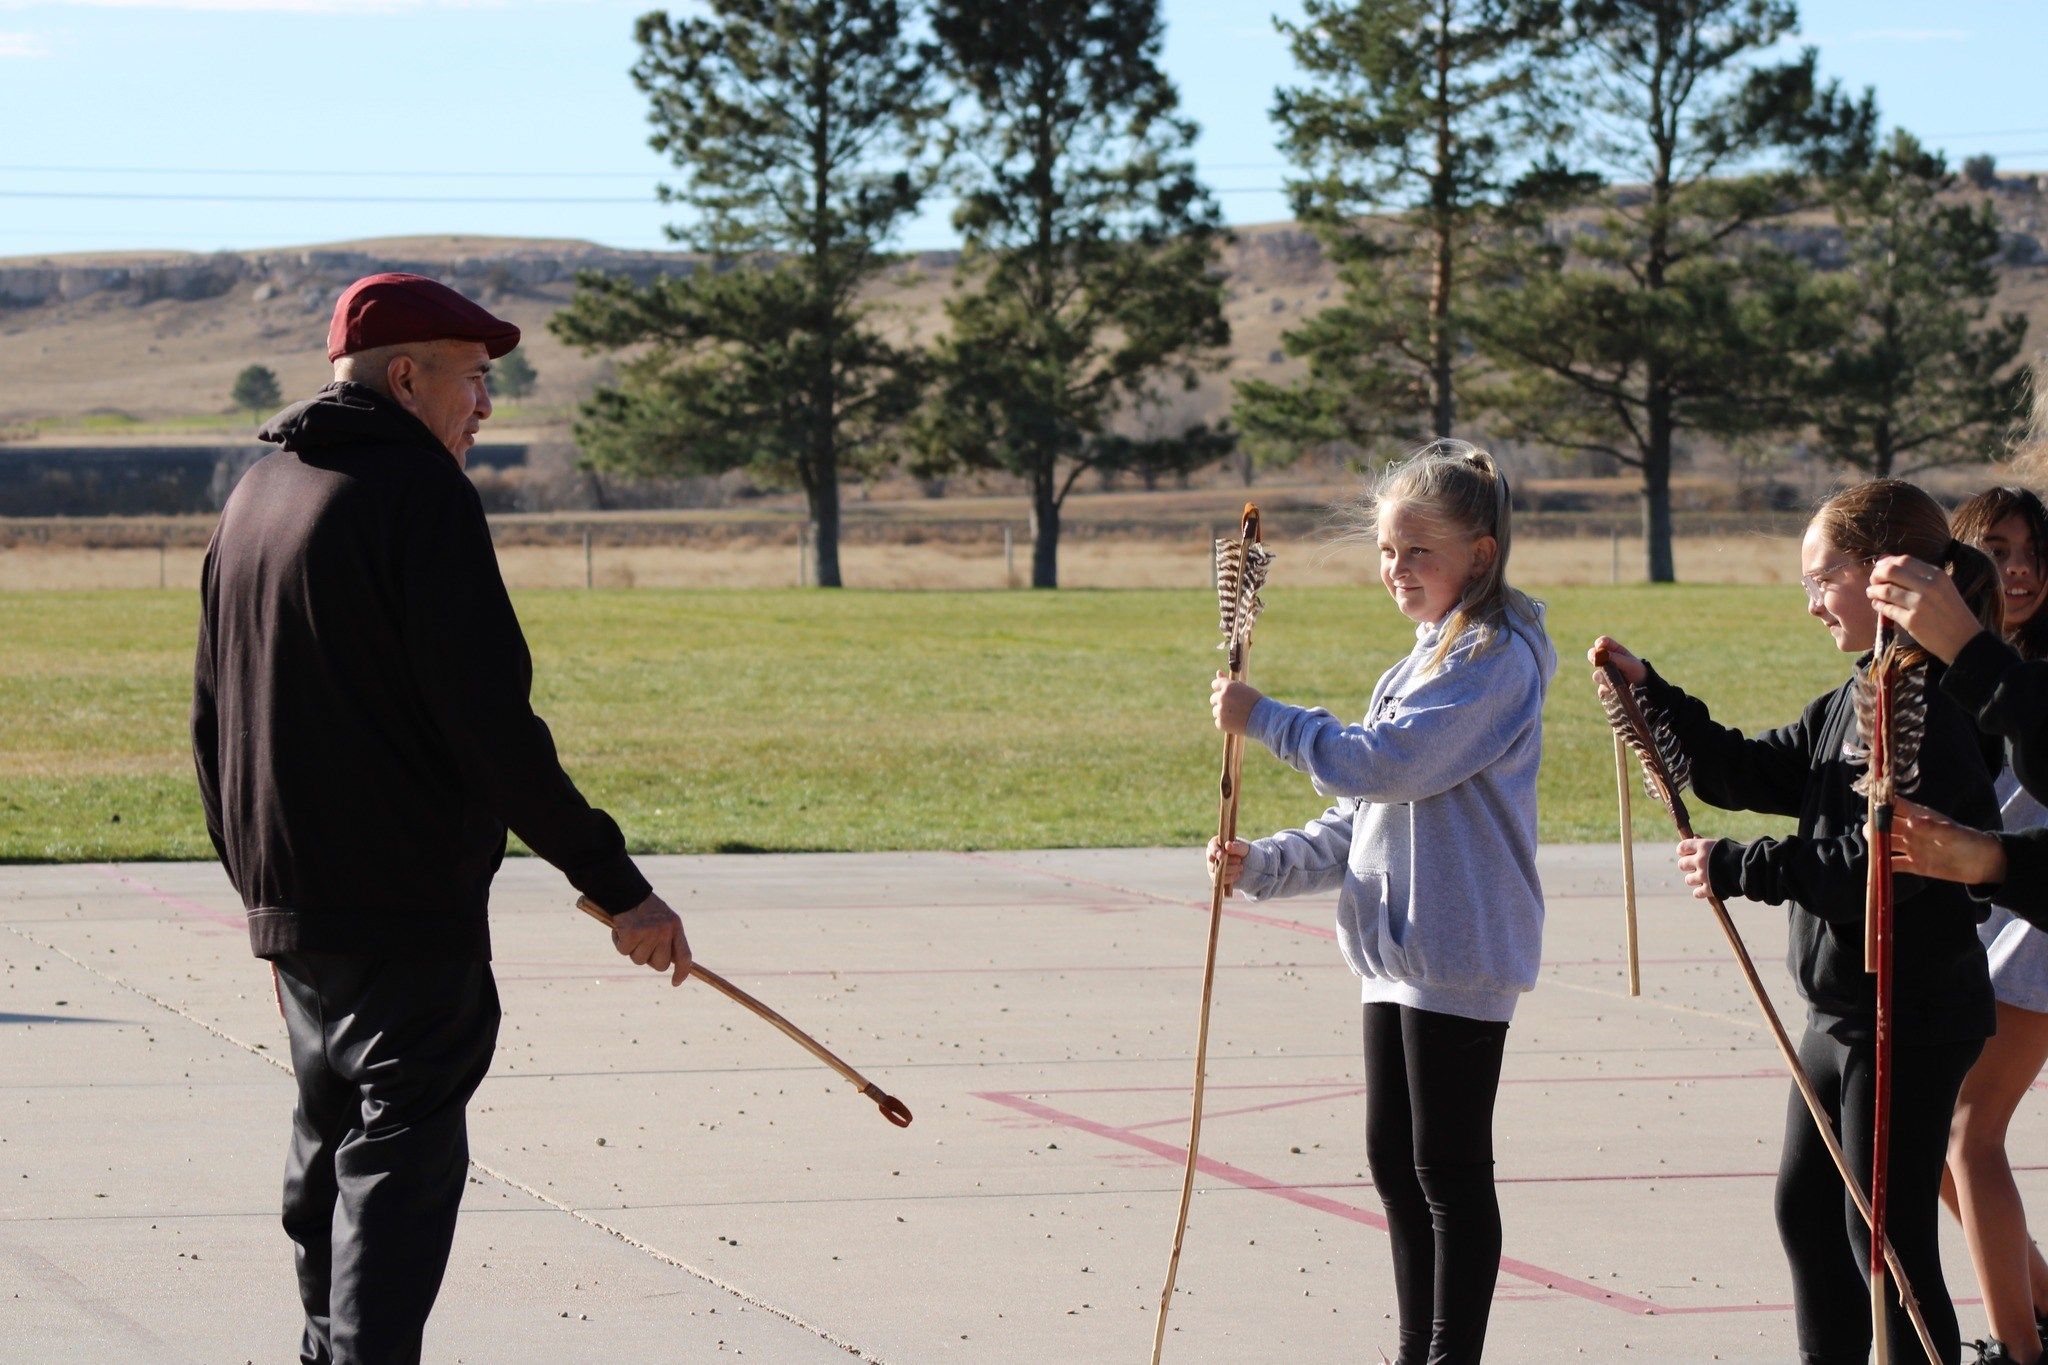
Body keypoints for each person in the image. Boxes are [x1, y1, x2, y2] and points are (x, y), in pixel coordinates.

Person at [191, 272, 692, 1365]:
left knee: (330, 1147)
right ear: (406, 378)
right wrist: (617, 886)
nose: (487, 405)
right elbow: (489, 727)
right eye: (474, 378)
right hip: (402, 906)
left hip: (300, 904)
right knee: (398, 1167)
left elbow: (210, 719)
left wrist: (262, 897)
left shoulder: (259, 493)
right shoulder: (417, 495)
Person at [1593, 478, 2003, 1365]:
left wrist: (1747, 866)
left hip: (1906, 1017)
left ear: (1885, 572)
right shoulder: (1858, 693)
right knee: (1809, 1214)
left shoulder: (1933, 711)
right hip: (1838, 1013)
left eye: (1824, 578)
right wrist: (1653, 697)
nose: (1811, 601)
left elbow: (1887, 869)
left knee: (1885, 1243)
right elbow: (1747, 771)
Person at [1207, 440, 1556, 1365]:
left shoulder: (1496, 659)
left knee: (1447, 1168)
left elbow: (1385, 763)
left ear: (1480, 555)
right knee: (1396, 1166)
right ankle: (1417, 1352)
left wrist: (1268, 716)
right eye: (1387, 552)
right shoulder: (1418, 663)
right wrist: (1260, 864)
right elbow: (1360, 814)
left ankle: (1451, 1357)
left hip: (1458, 946)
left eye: (1418, 552)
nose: (1396, 570)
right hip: (1394, 955)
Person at [1869, 488, 2048, 1365]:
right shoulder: (1936, 667)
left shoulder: (2027, 674)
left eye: (2030, 551)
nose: (2016, 569)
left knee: (1972, 1127)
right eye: (1995, 551)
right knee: (1920, 1133)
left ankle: (2022, 1349)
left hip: (2036, 918)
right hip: (1986, 907)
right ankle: (2040, 1306)